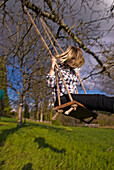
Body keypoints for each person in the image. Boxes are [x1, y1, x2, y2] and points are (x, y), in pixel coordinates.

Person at [46, 46, 114, 114]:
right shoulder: (58, 68)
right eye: (73, 58)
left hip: (72, 98)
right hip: (62, 99)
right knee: (99, 99)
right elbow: (50, 83)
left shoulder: (73, 71)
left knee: (94, 103)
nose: (75, 61)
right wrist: (52, 66)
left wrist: (75, 75)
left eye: (77, 59)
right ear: (68, 56)